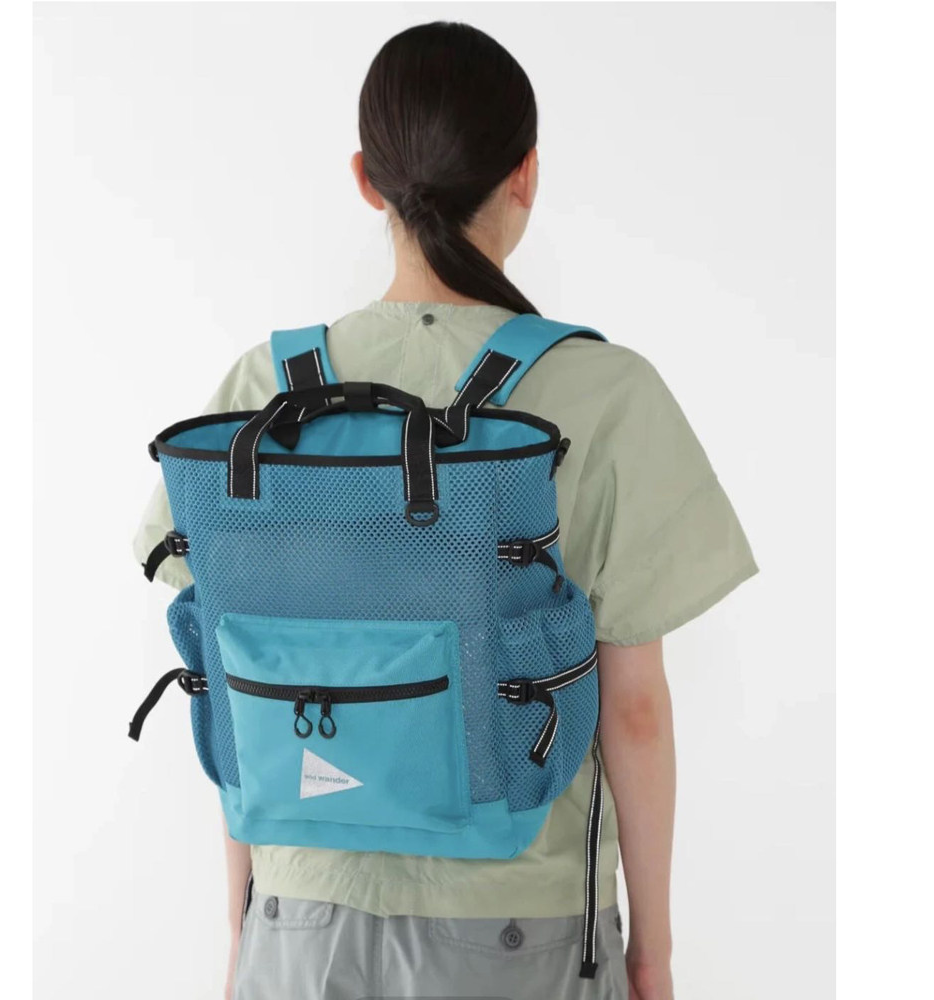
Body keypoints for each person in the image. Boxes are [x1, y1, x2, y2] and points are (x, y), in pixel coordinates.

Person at [134, 21, 757, 1000]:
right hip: (521, 930)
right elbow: (633, 710)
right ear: (525, 175)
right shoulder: (603, 394)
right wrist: (653, 955)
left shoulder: (264, 389)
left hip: (299, 925)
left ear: (366, 180)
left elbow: (238, 676)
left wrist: (243, 924)